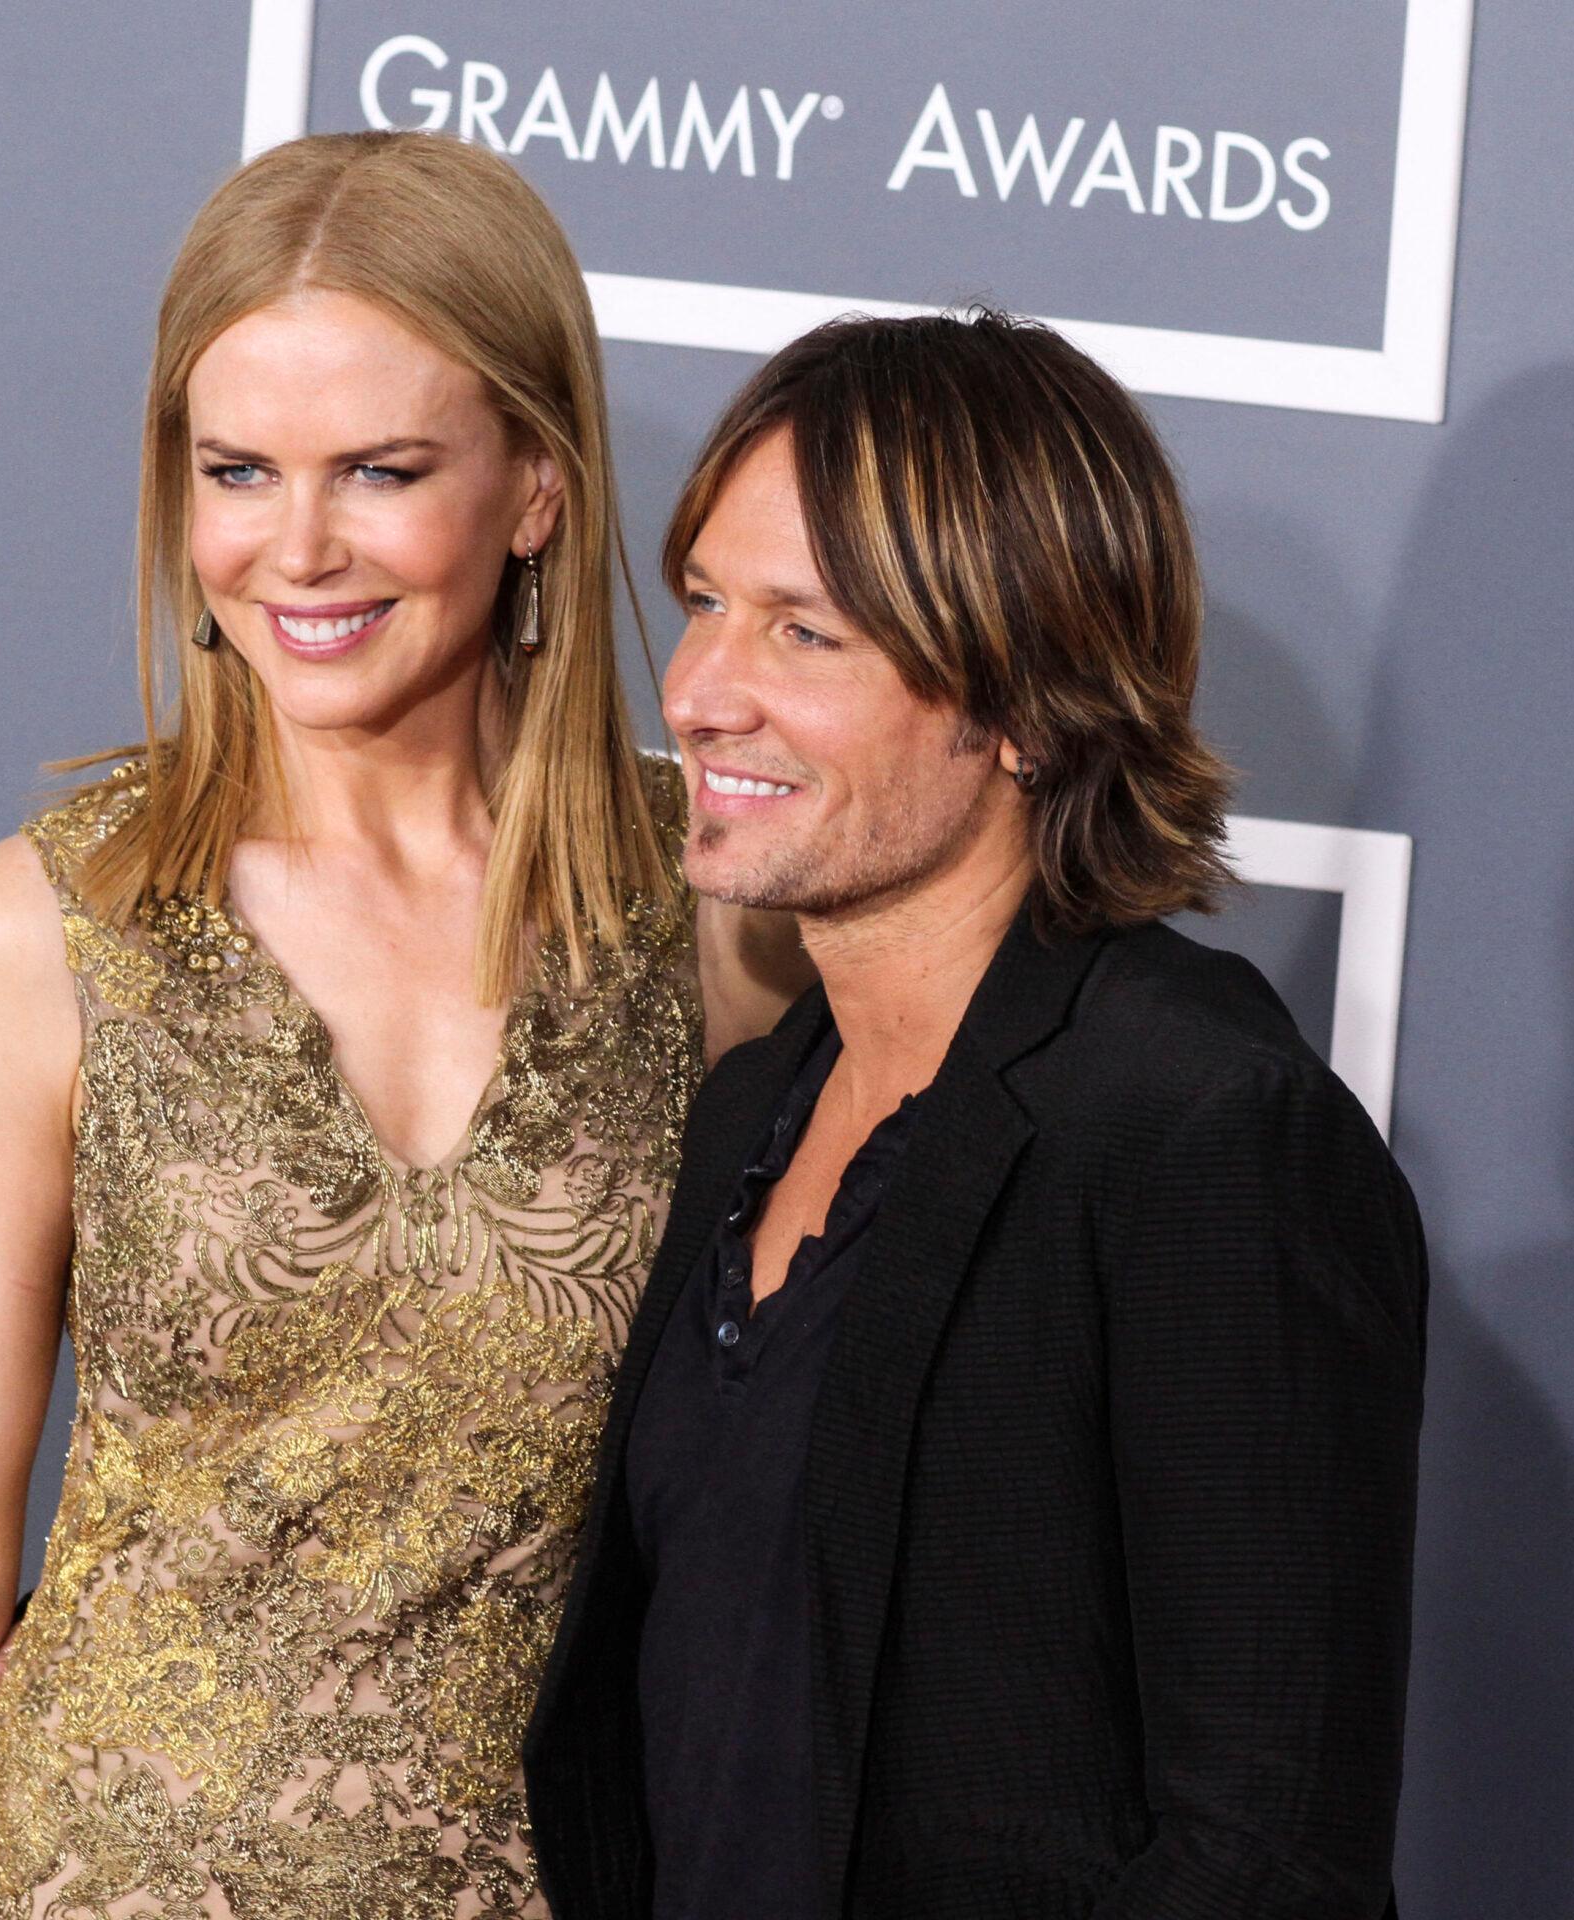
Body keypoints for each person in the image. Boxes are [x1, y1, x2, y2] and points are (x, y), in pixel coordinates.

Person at [0, 132, 799, 1920]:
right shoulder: (50, 929)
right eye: (238, 470)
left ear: (537, 488)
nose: (300, 546)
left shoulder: (724, 918)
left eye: (384, 470)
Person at [518, 311, 1429, 1918]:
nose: (702, 691)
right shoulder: (749, 1108)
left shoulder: (1201, 1133)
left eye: (806, 635)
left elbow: (1263, 1860)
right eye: (709, 604)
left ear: (1024, 703)